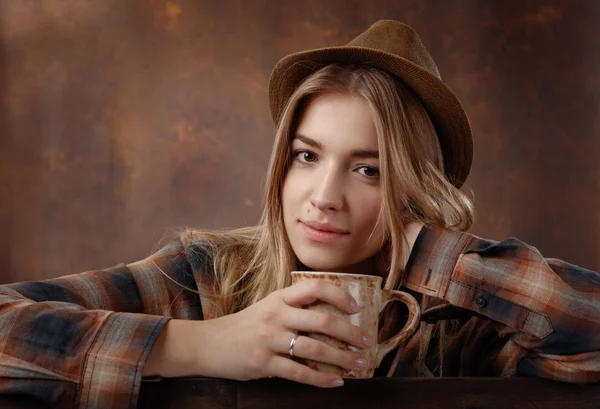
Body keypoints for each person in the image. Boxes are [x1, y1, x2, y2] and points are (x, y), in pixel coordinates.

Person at [0, 19, 598, 409]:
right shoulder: (206, 274)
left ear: (416, 191)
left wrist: (424, 250)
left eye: (371, 170)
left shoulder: (456, 322)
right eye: (307, 156)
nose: (323, 197)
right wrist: (203, 345)